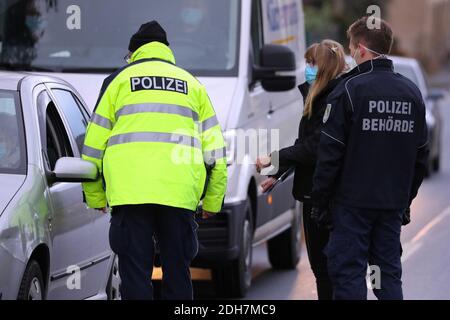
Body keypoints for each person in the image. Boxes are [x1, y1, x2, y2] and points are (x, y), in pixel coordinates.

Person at [81, 21, 227, 300]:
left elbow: (93, 147)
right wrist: (212, 201)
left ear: (134, 52)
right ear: (166, 51)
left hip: (130, 194)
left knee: (134, 273)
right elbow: (216, 151)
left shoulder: (117, 82)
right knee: (178, 271)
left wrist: (96, 195)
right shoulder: (192, 84)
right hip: (179, 193)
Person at [311, 17, 429, 300]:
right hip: (390, 205)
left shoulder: (349, 91)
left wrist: (320, 202)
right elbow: (421, 156)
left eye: (352, 48)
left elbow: (330, 155)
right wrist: (404, 200)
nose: (351, 54)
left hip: (352, 207)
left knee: (349, 275)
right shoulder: (411, 93)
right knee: (387, 277)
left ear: (362, 49)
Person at [256, 40, 347, 300]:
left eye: (311, 63)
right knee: (322, 267)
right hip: (313, 193)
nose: (306, 68)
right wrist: (278, 173)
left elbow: (315, 147)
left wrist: (273, 158)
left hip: (326, 196)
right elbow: (304, 146)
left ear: (325, 67)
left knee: (327, 267)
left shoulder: (333, 99)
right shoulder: (316, 96)